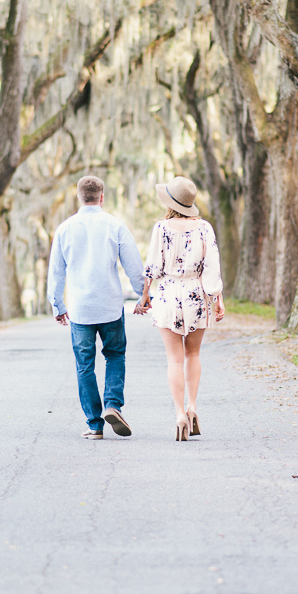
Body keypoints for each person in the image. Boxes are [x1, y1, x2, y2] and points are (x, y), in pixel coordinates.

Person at [47, 175, 145, 439]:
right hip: (110, 305)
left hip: (80, 309)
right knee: (114, 355)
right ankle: (113, 405)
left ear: (79, 197)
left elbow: (56, 272)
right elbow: (134, 266)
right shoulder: (115, 226)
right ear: (102, 197)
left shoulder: (65, 228)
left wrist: (58, 305)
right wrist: (143, 295)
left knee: (84, 365)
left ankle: (95, 425)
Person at [134, 176, 224, 441]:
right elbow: (212, 266)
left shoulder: (161, 228)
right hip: (196, 292)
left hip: (167, 294)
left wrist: (144, 297)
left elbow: (152, 267)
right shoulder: (204, 228)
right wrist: (217, 297)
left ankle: (179, 414)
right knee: (193, 355)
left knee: (174, 358)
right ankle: (193, 408)